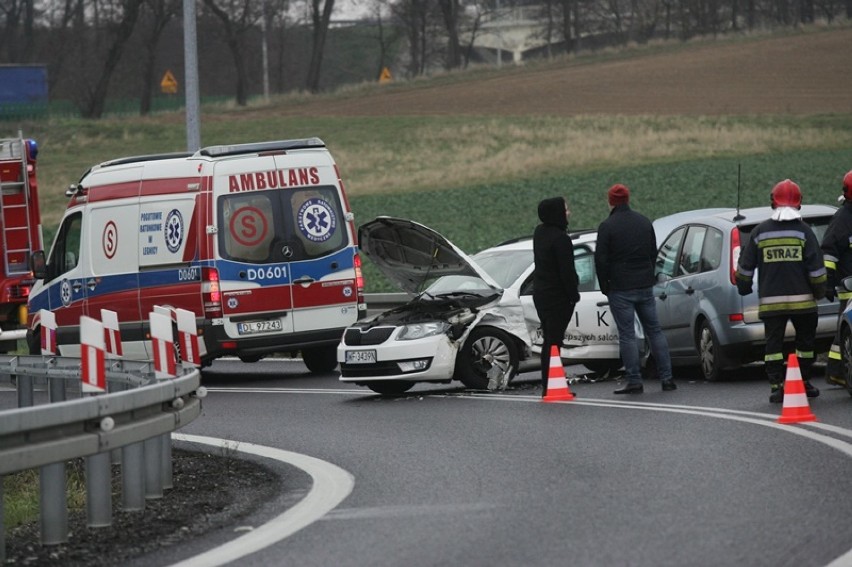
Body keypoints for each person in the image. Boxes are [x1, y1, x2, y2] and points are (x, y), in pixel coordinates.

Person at [735, 179, 827, 403]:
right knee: (805, 345)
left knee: (773, 346)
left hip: (771, 304)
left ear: (772, 203)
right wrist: (819, 292)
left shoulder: (759, 232)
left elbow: (744, 271)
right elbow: (817, 270)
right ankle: (803, 381)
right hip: (804, 304)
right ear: (799, 203)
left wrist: (744, 288)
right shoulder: (805, 232)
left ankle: (776, 385)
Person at [594, 184, 676, 394]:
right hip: (644, 285)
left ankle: (634, 380)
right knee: (654, 331)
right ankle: (667, 378)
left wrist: (606, 286)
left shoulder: (607, 226)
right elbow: (653, 252)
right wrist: (648, 276)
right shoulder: (643, 222)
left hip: (620, 287)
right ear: (628, 199)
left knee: (627, 334)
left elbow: (601, 260)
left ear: (610, 201)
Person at [533, 197, 580, 396]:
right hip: (557, 297)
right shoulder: (561, 239)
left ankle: (549, 383)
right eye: (565, 209)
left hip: (541, 294)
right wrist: (573, 295)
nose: (568, 213)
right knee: (554, 342)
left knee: (549, 340)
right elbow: (566, 272)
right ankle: (551, 385)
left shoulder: (539, 233)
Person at [820, 170, 852, 388]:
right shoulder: (842, 219)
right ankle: (838, 372)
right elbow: (829, 253)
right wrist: (829, 282)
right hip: (849, 289)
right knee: (845, 332)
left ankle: (837, 372)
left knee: (844, 333)